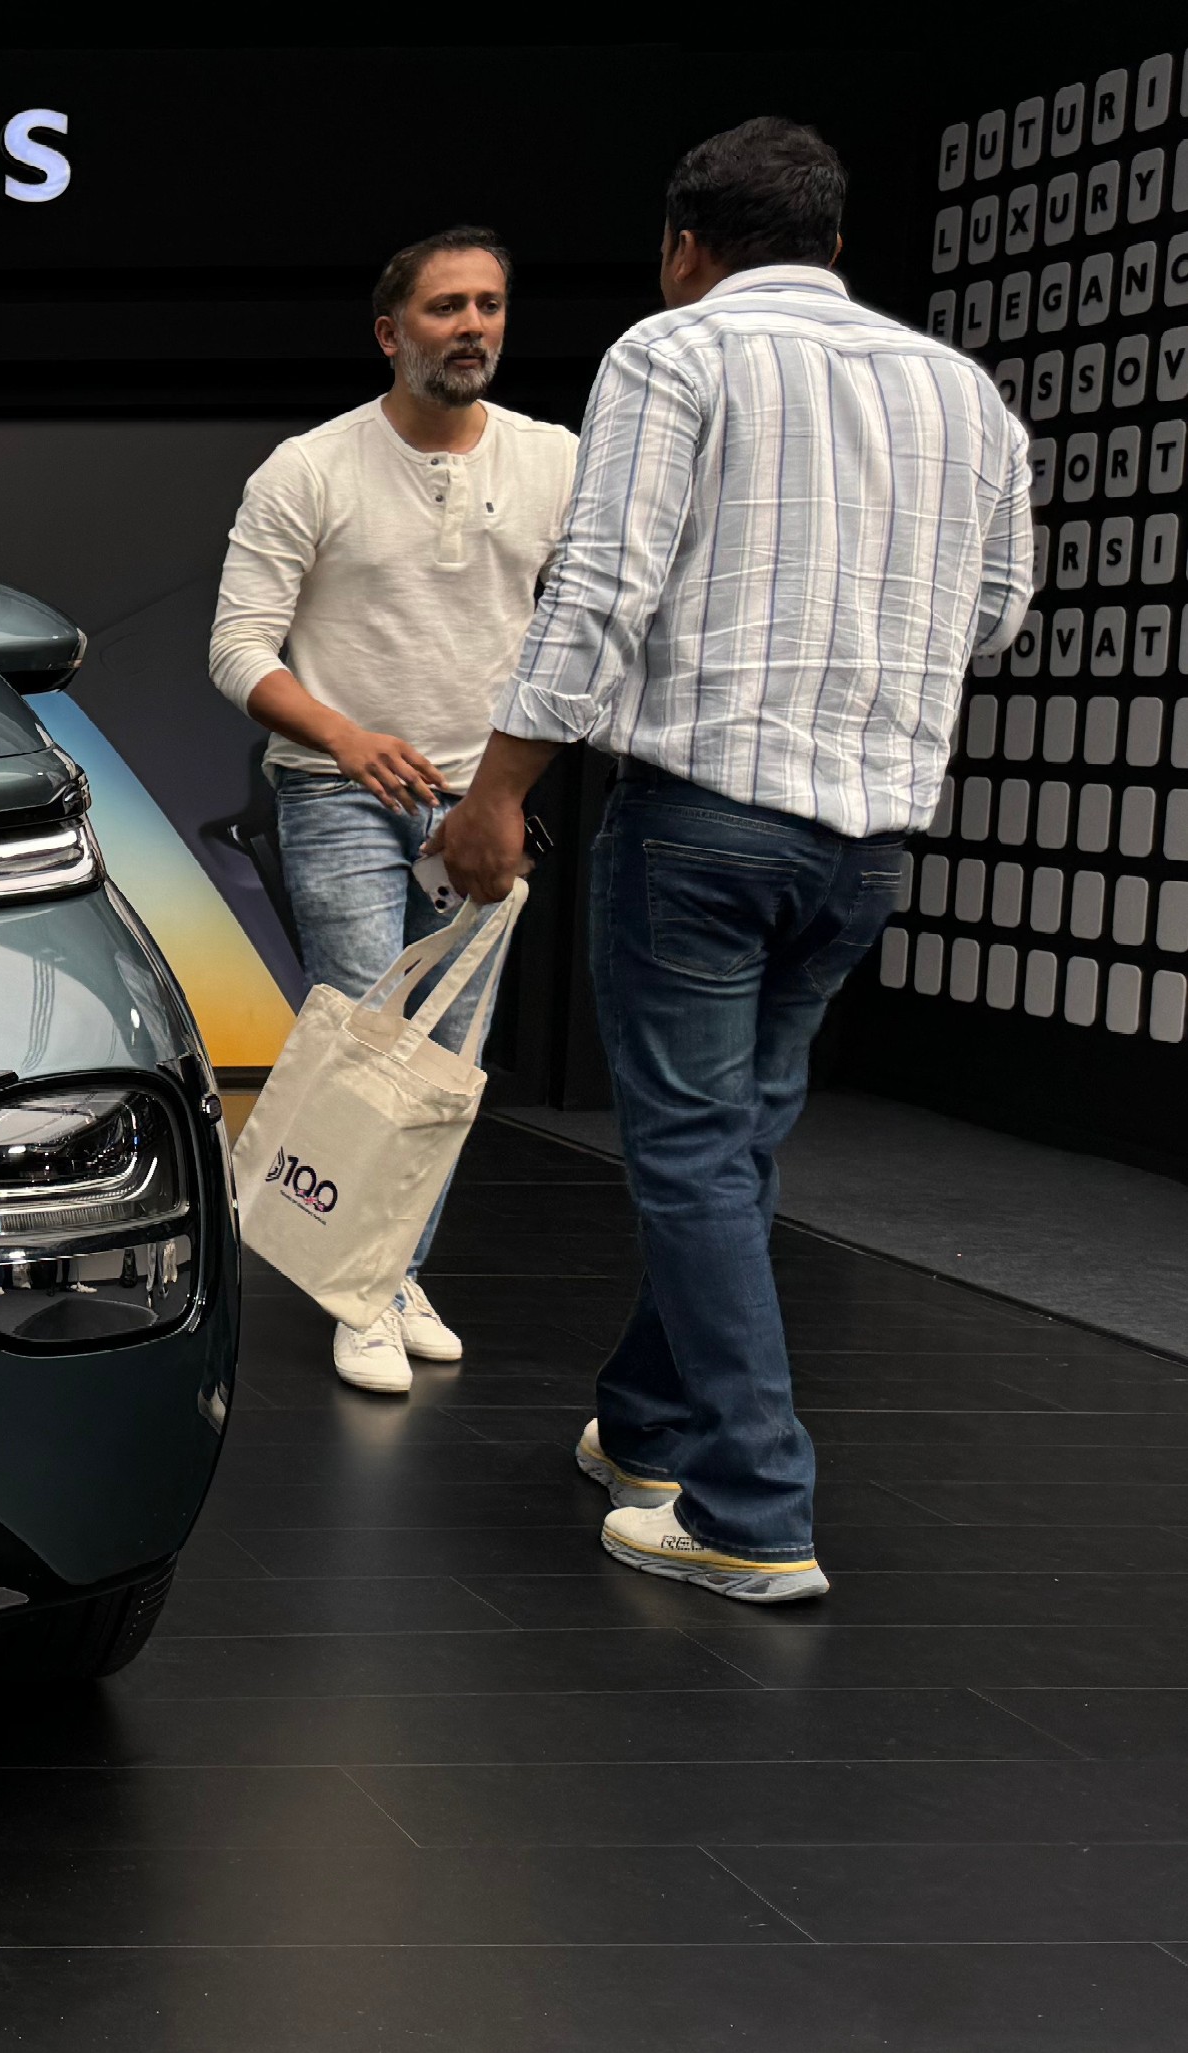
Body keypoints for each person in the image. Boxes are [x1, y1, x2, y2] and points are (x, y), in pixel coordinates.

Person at [427, 119, 1035, 1603]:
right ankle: (646, 1432)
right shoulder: (961, 390)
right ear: (833, 244)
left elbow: (600, 587)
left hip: (701, 820)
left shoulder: (674, 350)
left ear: (683, 246)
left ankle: (751, 1508)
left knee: (696, 1153)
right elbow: (995, 610)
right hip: (866, 840)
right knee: (732, 1145)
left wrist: (496, 790)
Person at [209, 227, 579, 1395]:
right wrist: (344, 736)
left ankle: (385, 1274)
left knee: (447, 1055)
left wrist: (508, 788)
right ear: (389, 332)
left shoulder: (553, 461)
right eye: (443, 307)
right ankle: (364, 1291)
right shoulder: (308, 467)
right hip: (337, 791)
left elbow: (582, 632)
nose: (470, 326)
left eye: (487, 305)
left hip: (479, 798)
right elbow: (234, 648)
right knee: (370, 1043)